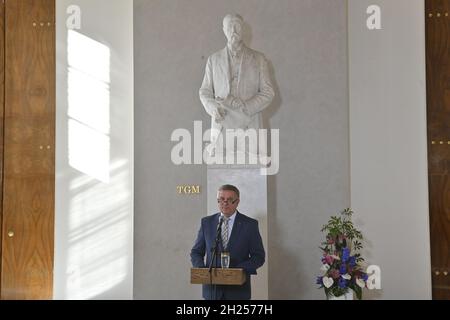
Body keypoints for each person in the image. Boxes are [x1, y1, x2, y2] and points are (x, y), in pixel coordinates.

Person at [199, 14, 275, 157]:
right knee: (222, 176)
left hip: (249, 124)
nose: (233, 30)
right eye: (229, 26)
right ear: (223, 30)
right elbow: (205, 91)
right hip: (222, 124)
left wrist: (247, 108)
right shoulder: (213, 60)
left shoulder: (259, 59)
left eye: (237, 26)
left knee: (251, 173)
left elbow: (268, 92)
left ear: (243, 29)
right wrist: (213, 108)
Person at [190, 184, 265, 300]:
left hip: (238, 292)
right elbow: (196, 252)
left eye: (229, 200)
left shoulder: (250, 225)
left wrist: (238, 270)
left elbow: (258, 256)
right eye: (221, 200)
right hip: (212, 291)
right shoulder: (207, 222)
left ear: (237, 202)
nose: (225, 203)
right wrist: (203, 270)